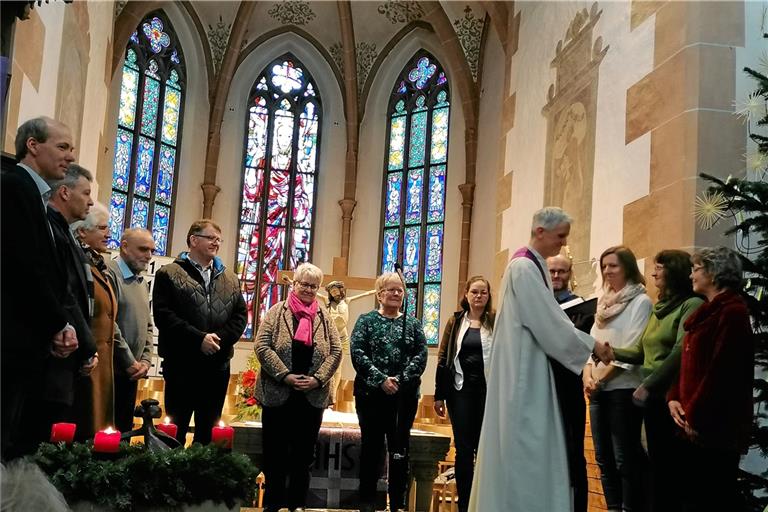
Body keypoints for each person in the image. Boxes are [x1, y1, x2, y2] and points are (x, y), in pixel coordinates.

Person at [469, 207, 613, 512]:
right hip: (524, 374)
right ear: (540, 232)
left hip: (529, 366)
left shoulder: (530, 267)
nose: (562, 243)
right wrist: (593, 345)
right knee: (527, 447)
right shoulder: (523, 268)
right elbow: (547, 321)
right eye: (560, 236)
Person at [1, 117, 79, 460]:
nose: (70, 157)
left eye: (71, 149)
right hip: (12, 339)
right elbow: (25, 267)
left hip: (26, 341)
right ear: (33, 145)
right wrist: (58, 323)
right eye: (62, 147)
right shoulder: (15, 187)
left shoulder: (34, 194)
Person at [612, 250, 704, 512]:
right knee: (656, 463)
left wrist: (648, 384)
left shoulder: (691, 305)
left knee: (669, 466)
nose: (653, 272)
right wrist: (609, 351)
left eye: (659, 267)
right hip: (652, 397)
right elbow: (641, 351)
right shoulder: (659, 307)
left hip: (669, 395)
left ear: (674, 271)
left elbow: (679, 351)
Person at [667, 247, 754, 511]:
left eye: (697, 269)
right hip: (692, 422)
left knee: (712, 498)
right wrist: (673, 398)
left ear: (714, 273)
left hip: (715, 425)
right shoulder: (706, 313)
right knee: (692, 497)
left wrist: (694, 414)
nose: (691, 275)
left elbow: (722, 371)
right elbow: (688, 365)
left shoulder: (732, 312)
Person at [254, 263, 342, 512]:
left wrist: (318, 378)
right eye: (304, 284)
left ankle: (296, 506)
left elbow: (335, 351)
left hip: (311, 397)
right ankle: (272, 505)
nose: (308, 289)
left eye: (314, 286)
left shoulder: (324, 316)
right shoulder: (276, 311)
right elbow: (262, 346)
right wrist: (285, 375)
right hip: (278, 394)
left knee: (303, 457)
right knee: (275, 456)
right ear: (294, 284)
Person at [153, 219, 247, 445]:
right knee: (175, 430)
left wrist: (217, 341)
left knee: (208, 433)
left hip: (217, 366)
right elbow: (164, 316)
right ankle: (173, 479)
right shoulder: (169, 273)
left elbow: (240, 316)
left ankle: (201, 480)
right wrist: (199, 339)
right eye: (211, 238)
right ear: (193, 240)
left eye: (218, 239)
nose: (216, 243)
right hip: (181, 365)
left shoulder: (231, 278)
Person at [351, 272, 428, 512]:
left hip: (403, 399)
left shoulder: (413, 324)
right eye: (390, 290)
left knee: (399, 450)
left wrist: (401, 380)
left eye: (400, 290)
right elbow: (357, 352)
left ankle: (397, 503)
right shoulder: (365, 321)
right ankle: (367, 501)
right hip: (370, 397)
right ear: (379, 294)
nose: (396, 294)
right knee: (371, 449)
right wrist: (381, 379)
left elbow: (421, 354)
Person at [583, 246, 651, 512]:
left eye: (614, 265)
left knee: (625, 458)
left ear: (628, 268)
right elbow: (592, 344)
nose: (607, 271)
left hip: (623, 388)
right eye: (604, 266)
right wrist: (588, 375)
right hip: (598, 389)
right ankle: (612, 507)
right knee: (603, 458)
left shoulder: (640, 301)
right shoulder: (603, 302)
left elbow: (633, 348)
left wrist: (601, 380)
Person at [42, 164, 99, 434]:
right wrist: (86, 346)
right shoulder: (50, 230)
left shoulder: (67, 233)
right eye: (86, 193)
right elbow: (64, 292)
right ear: (64, 192)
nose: (91, 201)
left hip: (70, 358)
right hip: (52, 359)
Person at [433, 276, 495, 512]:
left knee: (485, 448)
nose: (479, 296)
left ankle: (484, 502)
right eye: (475, 292)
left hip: (488, 392)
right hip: (460, 391)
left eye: (484, 293)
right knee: (464, 449)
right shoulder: (456, 320)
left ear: (489, 296)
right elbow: (443, 358)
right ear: (466, 294)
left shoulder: (495, 321)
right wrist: (439, 395)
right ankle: (466, 504)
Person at [546, 254, 595, 512]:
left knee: (572, 453)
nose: (556, 276)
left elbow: (578, 346)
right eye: (552, 271)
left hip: (568, 390)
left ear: (570, 274)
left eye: (561, 272)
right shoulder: (538, 306)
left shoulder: (582, 308)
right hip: (540, 391)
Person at [72, 202, 119, 436]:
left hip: (102, 365)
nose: (108, 233)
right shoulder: (79, 263)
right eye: (102, 228)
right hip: (85, 362)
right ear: (82, 231)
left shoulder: (99, 265)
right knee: (83, 428)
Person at [106, 228, 156, 432]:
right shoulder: (109, 273)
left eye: (152, 250)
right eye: (143, 249)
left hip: (132, 372)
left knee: (124, 430)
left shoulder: (141, 281)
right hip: (111, 370)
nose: (149, 256)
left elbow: (148, 325)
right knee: (108, 432)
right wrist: (128, 361)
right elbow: (109, 322)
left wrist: (145, 361)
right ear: (124, 247)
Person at [317, 280, 375, 403]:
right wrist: (291, 282)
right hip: (329, 338)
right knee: (327, 366)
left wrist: (377, 291)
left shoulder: (346, 301)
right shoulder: (327, 302)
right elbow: (316, 293)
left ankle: (333, 396)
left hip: (342, 338)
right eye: (331, 291)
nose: (333, 293)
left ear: (340, 290)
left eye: (335, 290)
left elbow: (364, 295)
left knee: (338, 368)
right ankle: (325, 394)